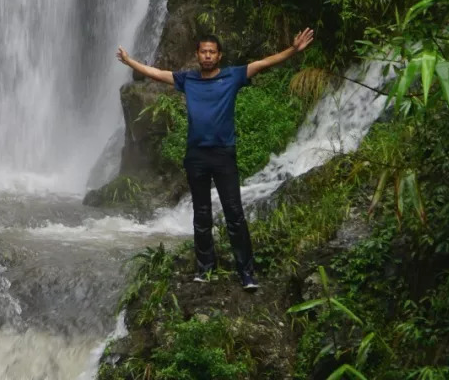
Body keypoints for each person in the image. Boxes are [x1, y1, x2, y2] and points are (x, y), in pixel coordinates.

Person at [117, 28, 315, 288]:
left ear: (219, 55)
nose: (208, 56)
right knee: (201, 214)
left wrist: (293, 50)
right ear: (197, 55)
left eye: (212, 52)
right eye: (203, 52)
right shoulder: (187, 79)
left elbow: (264, 62)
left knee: (234, 213)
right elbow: (157, 74)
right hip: (196, 156)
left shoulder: (233, 76)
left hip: (223, 155)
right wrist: (130, 62)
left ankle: (246, 272)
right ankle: (205, 267)